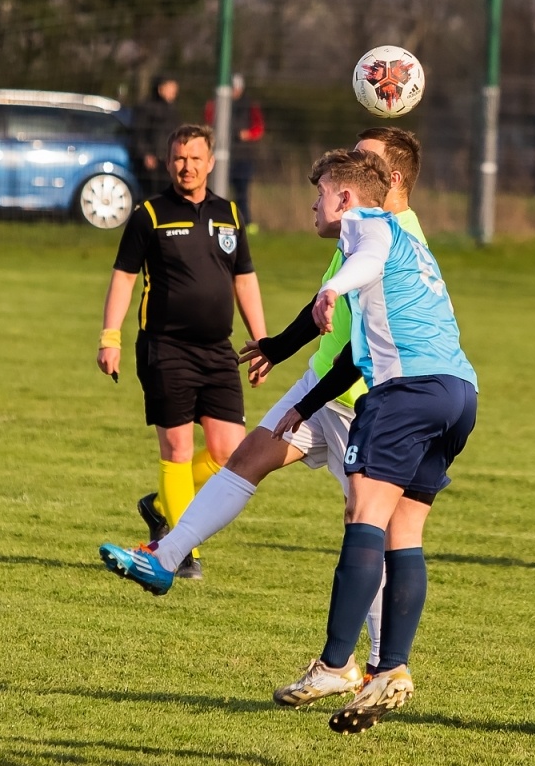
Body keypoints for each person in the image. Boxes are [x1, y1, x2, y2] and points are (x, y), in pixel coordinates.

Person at [99, 128, 427, 700]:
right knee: (248, 456)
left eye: (364, 158)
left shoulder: (391, 234)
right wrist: (277, 344)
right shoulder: (359, 226)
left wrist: (313, 394)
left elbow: (364, 337)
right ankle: (166, 558)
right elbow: (328, 296)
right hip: (318, 383)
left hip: (353, 396)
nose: (350, 164)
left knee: (366, 524)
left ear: (390, 179)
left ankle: (376, 665)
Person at [277, 147, 475, 733]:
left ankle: (336, 665)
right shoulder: (409, 246)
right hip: (457, 394)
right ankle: (391, 667)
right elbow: (350, 361)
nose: (313, 206)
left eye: (319, 196)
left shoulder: (369, 227)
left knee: (363, 516)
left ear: (344, 198)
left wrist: (332, 287)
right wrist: (304, 406)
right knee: (403, 529)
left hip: (407, 393)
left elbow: (367, 258)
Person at [96, 124, 265, 581]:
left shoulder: (229, 213)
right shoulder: (149, 214)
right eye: (178, 158)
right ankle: (180, 553)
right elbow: (124, 278)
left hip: (218, 351)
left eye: (194, 158)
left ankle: (159, 504)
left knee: (231, 454)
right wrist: (109, 336)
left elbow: (244, 278)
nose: (186, 166)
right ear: (168, 162)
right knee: (176, 448)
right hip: (165, 348)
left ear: (210, 162)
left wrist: (263, 340)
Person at [203, 74, 264, 233]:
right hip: (222, 156)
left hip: (244, 156)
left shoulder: (250, 106)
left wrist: (248, 134)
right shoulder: (215, 105)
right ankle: (217, 219)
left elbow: (258, 128)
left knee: (242, 192)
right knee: (218, 191)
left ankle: (246, 222)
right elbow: (208, 124)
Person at [131, 76, 181, 182]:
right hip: (152, 161)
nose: (174, 91)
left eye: (175, 88)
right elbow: (138, 133)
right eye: (171, 88)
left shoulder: (172, 110)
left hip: (168, 159)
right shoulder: (147, 108)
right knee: (152, 193)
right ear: (160, 89)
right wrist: (146, 154)